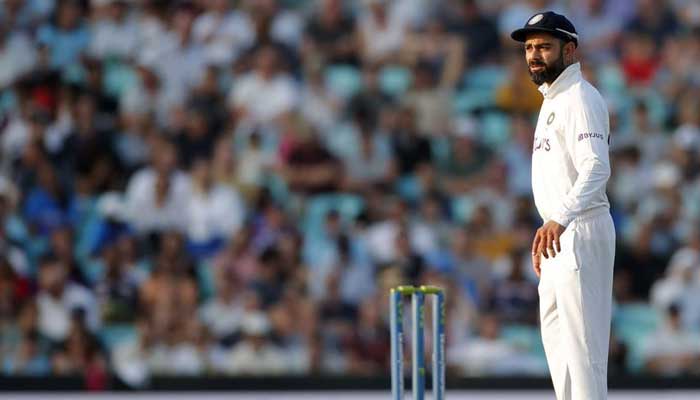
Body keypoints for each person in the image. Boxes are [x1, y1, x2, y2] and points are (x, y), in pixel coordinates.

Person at [511, 11, 615, 399]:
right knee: (561, 355)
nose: (534, 55)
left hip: (580, 230)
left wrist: (559, 219)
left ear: (569, 50)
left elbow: (596, 168)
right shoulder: (552, 99)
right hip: (557, 236)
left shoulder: (581, 98)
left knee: (584, 355)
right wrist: (549, 228)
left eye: (544, 47)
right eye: (529, 48)